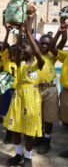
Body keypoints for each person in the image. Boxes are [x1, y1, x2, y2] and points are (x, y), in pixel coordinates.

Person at [3, 17, 45, 167]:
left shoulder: (38, 64)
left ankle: (28, 157)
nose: (20, 50)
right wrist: (21, 33)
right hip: (18, 98)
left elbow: (37, 52)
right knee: (15, 129)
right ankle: (18, 154)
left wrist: (28, 31)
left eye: (24, 49)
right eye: (20, 49)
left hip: (31, 100)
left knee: (28, 132)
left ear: (32, 50)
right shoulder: (18, 62)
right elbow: (17, 48)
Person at [36, 25, 66, 154]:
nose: (43, 46)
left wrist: (59, 32)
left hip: (50, 90)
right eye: (41, 43)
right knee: (38, 115)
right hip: (36, 90)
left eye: (46, 44)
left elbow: (58, 43)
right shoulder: (35, 55)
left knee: (48, 116)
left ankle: (47, 140)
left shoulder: (52, 56)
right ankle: (40, 136)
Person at [49, 22, 68, 158]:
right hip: (66, 92)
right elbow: (52, 48)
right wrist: (61, 32)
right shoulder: (67, 55)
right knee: (66, 121)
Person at [0, 26, 17, 144]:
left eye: (16, 53)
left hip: (16, 91)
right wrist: (7, 32)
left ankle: (14, 132)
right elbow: (5, 46)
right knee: (5, 112)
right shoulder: (6, 60)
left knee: (15, 112)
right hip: (6, 90)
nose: (13, 55)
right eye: (12, 52)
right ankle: (8, 133)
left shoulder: (21, 63)